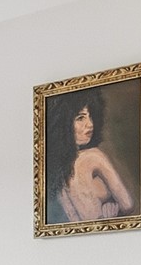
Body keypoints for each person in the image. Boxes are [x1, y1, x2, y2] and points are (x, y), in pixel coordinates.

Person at [55, 90, 135, 222]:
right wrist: (112, 205)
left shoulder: (56, 169)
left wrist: (111, 205)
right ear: (64, 124)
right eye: (80, 118)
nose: (90, 124)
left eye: (90, 116)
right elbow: (128, 204)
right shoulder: (93, 157)